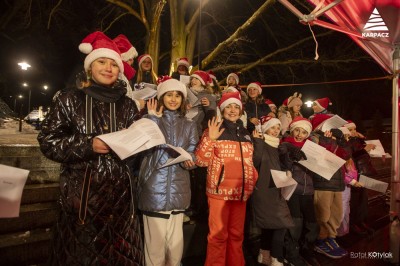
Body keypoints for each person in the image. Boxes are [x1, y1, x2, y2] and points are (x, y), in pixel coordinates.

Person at [37, 31, 144, 265]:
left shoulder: (127, 105)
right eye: (102, 62)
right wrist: (88, 145)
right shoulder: (69, 99)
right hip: (83, 200)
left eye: (113, 64)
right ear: (90, 67)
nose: (108, 68)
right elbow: (48, 141)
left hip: (122, 201)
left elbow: (136, 145)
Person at [137, 76, 198, 266]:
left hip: (179, 190)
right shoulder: (150, 119)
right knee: (155, 249)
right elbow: (143, 148)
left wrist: (190, 161)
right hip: (154, 189)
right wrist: (151, 119)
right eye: (169, 95)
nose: (173, 99)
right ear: (161, 97)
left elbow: (193, 151)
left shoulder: (190, 124)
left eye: (177, 95)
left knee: (174, 248)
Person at [195, 91, 258, 266]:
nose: (232, 110)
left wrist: (251, 181)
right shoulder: (214, 129)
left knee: (237, 235)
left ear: (241, 110)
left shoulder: (245, 133)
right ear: (222, 109)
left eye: (236, 106)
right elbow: (200, 161)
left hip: (240, 194)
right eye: (228, 106)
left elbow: (249, 164)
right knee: (218, 236)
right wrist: (210, 138)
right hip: (219, 194)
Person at [252, 116, 294, 266]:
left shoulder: (278, 147)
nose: (276, 131)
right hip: (264, 190)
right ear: (265, 129)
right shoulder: (260, 143)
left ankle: (264, 255)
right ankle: (276, 258)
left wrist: (287, 170)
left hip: (276, 189)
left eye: (278, 128)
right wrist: (257, 142)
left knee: (270, 226)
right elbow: (255, 162)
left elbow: (281, 166)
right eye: (272, 127)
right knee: (281, 224)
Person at [309, 113, 351, 259]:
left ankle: (331, 239)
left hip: (337, 183)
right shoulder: (314, 137)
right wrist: (327, 141)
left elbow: (345, 156)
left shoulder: (335, 138)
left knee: (336, 214)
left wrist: (342, 142)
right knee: (323, 215)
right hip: (323, 182)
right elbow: (320, 158)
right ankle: (321, 241)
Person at [279, 117, 319, 266]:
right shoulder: (285, 144)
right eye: (297, 130)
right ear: (292, 130)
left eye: (304, 132)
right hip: (293, 189)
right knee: (295, 224)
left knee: (311, 223)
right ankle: (292, 254)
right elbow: (282, 160)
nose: (300, 134)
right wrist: (290, 156)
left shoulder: (311, 147)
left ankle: (308, 250)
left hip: (308, 191)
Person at [344, 120, 376, 235]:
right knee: (354, 201)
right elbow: (352, 155)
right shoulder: (345, 141)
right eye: (350, 129)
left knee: (363, 200)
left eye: (355, 129)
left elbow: (359, 148)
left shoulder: (355, 140)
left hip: (363, 173)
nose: (353, 132)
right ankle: (353, 224)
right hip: (355, 174)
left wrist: (362, 138)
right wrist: (365, 149)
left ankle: (361, 221)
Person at [113, 34, 146, 110]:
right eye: (130, 59)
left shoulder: (122, 75)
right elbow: (121, 106)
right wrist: (138, 104)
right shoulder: (118, 75)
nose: (132, 62)